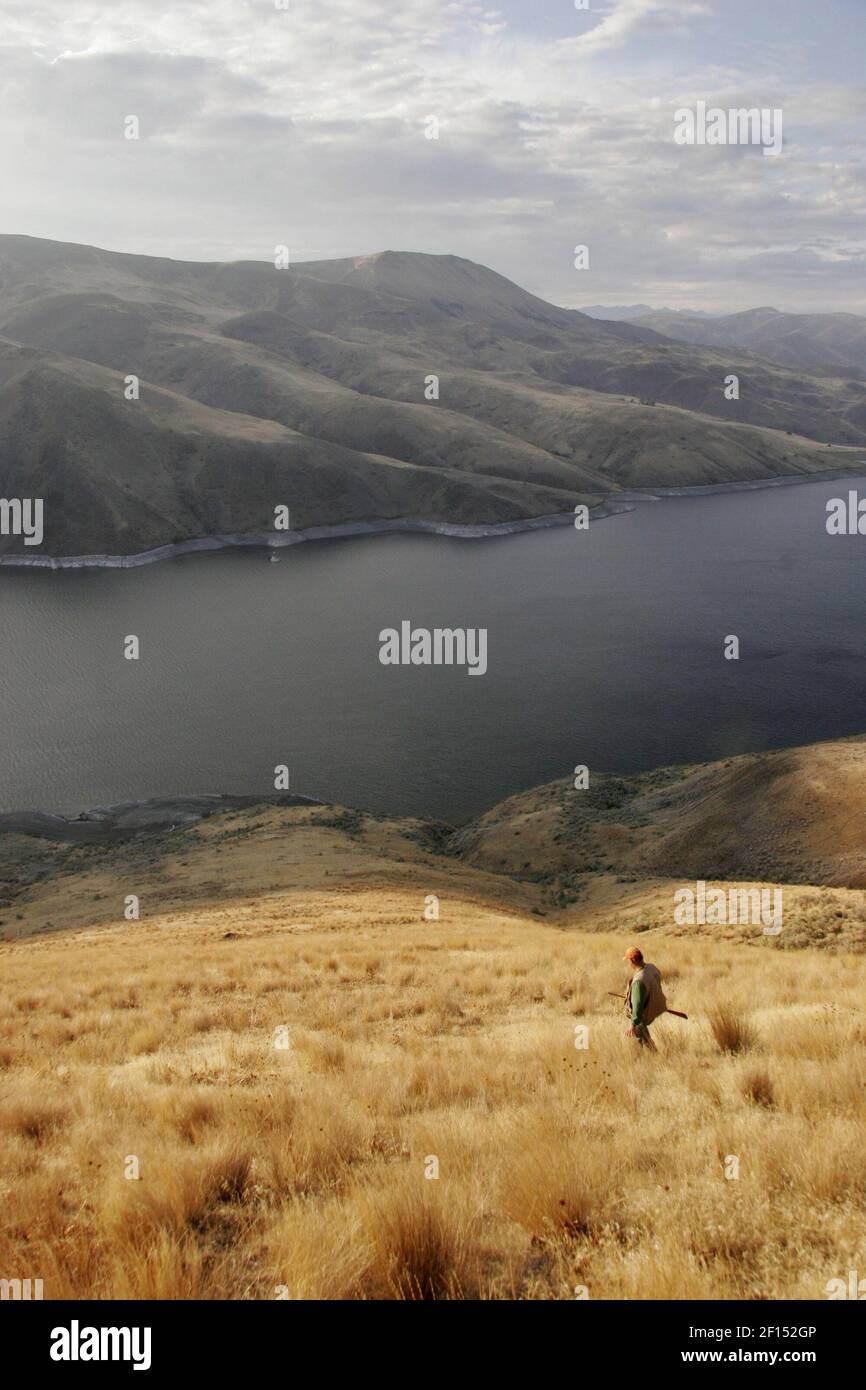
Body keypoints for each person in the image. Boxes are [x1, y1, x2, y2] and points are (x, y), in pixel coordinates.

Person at [624, 946, 667, 1050]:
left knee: (638, 1036)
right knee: (644, 1036)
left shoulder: (639, 981)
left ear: (633, 960)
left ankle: (647, 1057)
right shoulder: (651, 968)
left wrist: (633, 1024)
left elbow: (637, 1006)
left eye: (628, 960)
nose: (628, 963)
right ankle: (651, 1054)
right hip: (651, 1004)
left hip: (641, 1014)